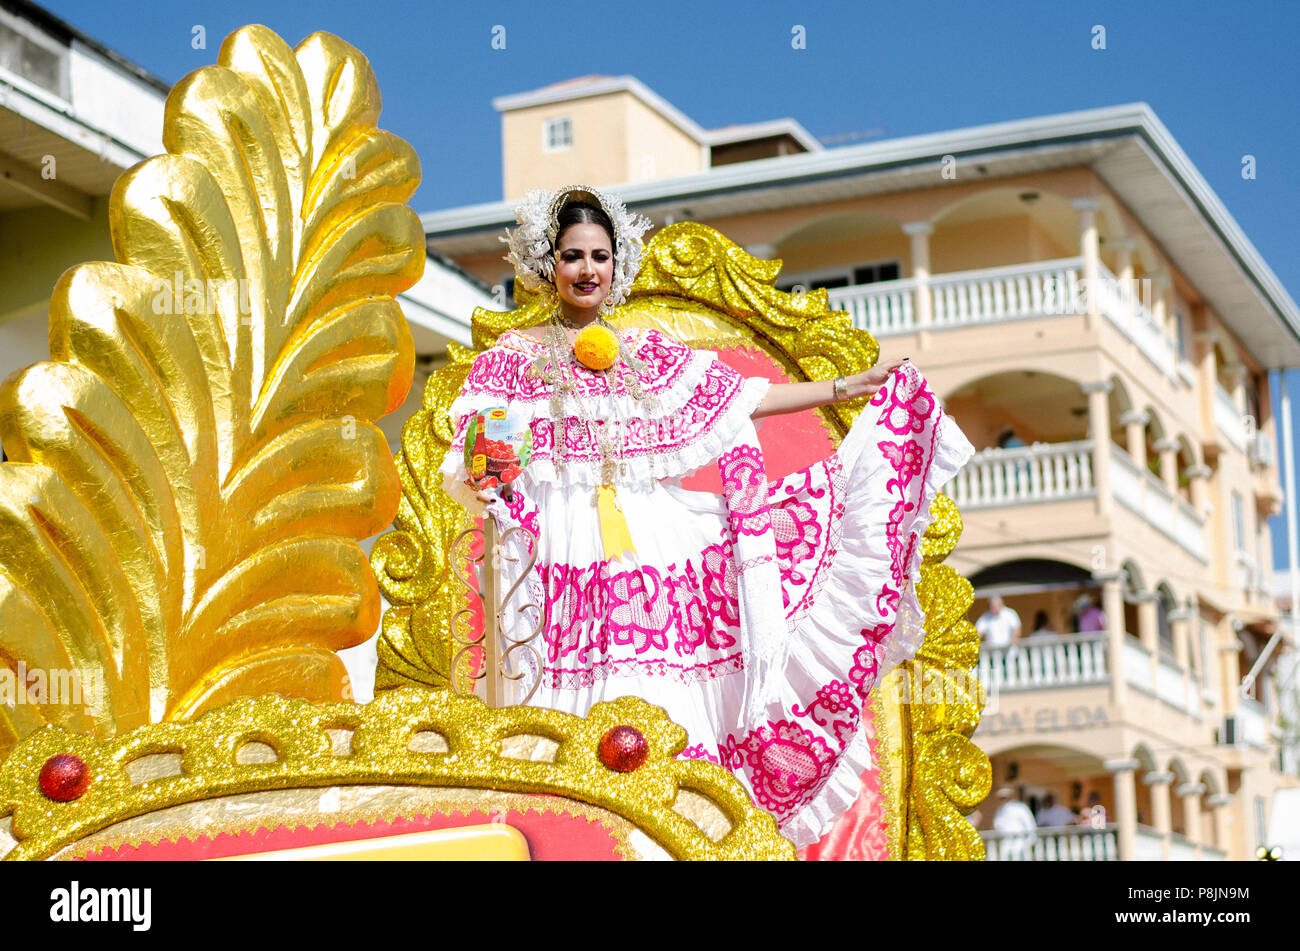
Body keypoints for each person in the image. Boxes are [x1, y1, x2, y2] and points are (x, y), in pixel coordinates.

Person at [441, 184, 974, 846]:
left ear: (617, 265)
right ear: (547, 265)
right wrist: (498, 481)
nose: (587, 271)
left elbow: (741, 398)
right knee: (567, 721)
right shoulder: (515, 361)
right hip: (563, 559)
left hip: (653, 556)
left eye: (600, 256)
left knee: (662, 702)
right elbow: (484, 464)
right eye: (572, 255)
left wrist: (841, 389)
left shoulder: (645, 357)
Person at [993, 786, 1038, 859]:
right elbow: (997, 825)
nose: (1003, 800)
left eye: (1004, 797)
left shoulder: (1020, 807)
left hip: (1020, 841)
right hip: (1006, 842)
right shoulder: (1000, 810)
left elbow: (1030, 824)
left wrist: (1030, 840)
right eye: (1001, 798)